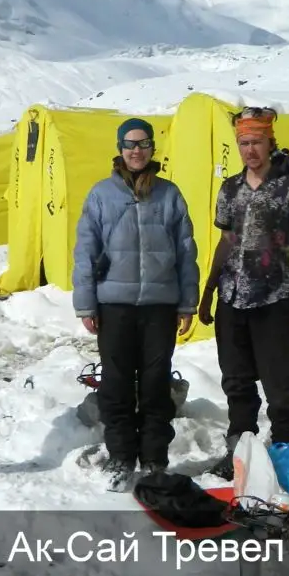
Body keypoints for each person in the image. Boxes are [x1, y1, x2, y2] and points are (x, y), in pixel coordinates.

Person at [72, 117, 199, 492]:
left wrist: (187, 303)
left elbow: (186, 252)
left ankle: (155, 459)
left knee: (157, 384)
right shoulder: (101, 195)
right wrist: (86, 304)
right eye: (129, 144)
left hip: (160, 304)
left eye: (143, 143)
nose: (136, 150)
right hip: (114, 305)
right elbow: (85, 252)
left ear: (152, 148)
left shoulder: (169, 194)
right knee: (117, 385)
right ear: (119, 148)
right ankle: (122, 458)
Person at [198, 106, 289, 480]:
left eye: (257, 142)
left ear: (270, 142)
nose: (250, 150)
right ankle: (240, 452)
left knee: (280, 383)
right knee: (236, 381)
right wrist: (209, 288)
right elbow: (225, 240)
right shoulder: (229, 188)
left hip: (273, 297)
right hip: (232, 298)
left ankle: (283, 452)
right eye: (244, 142)